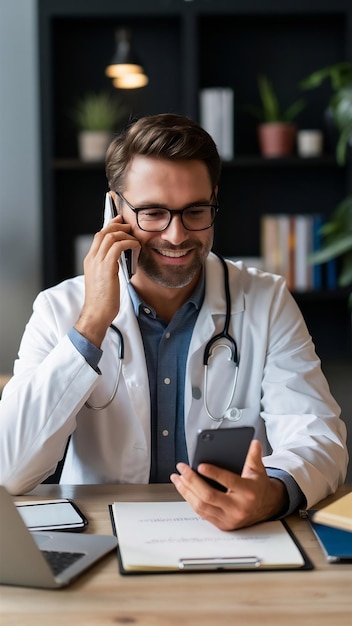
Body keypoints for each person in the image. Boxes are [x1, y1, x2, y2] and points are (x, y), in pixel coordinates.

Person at [0, 113, 348, 531]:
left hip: (231, 538)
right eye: (152, 213)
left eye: (195, 211)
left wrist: (270, 494)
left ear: (213, 200)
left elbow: (319, 438)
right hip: (103, 539)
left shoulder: (266, 300)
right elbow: (10, 471)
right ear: (114, 208)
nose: (177, 235)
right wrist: (91, 323)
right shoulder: (59, 309)